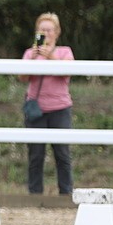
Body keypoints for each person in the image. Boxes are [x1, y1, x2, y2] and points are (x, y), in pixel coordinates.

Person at [21, 12, 74, 194]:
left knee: (62, 154)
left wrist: (50, 56)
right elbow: (22, 77)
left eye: (49, 30)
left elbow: (67, 72)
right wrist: (34, 58)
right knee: (35, 155)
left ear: (57, 32)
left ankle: (66, 193)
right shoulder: (30, 53)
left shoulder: (64, 52)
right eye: (42, 29)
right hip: (36, 109)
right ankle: (35, 194)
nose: (46, 33)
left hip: (60, 108)